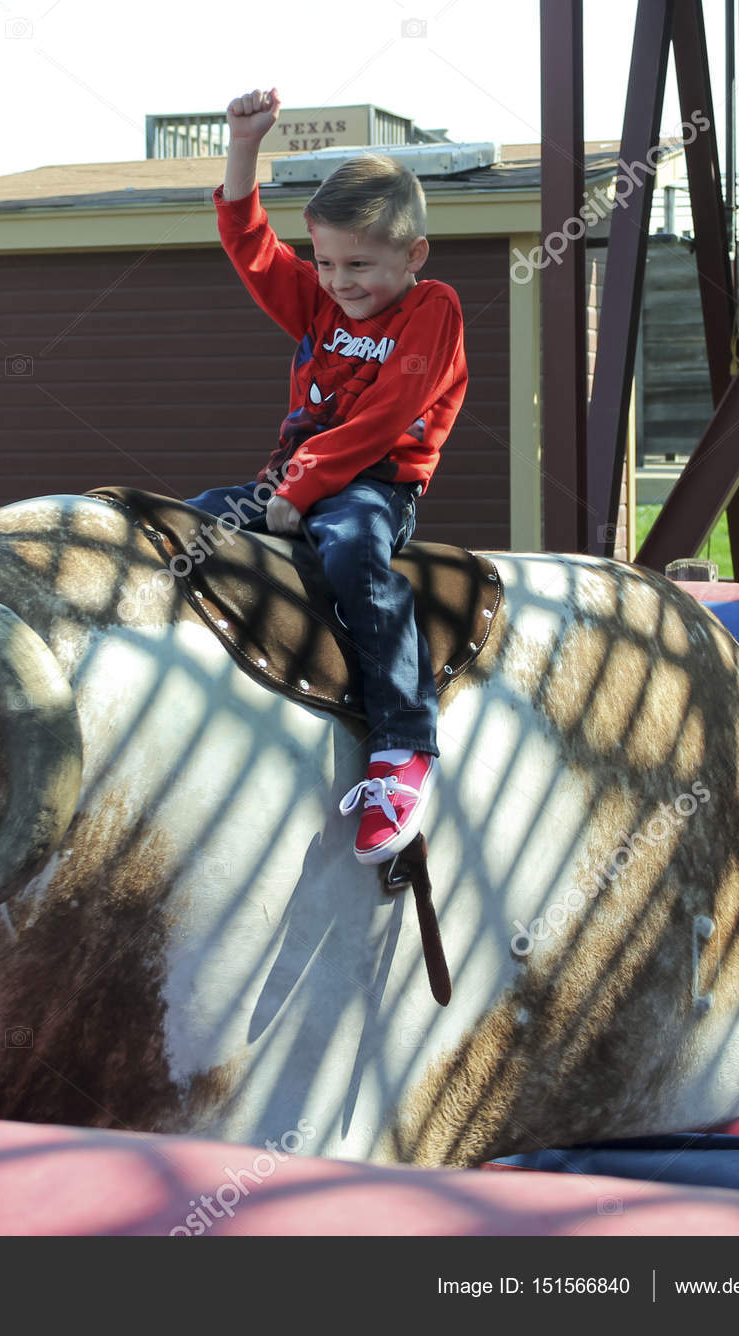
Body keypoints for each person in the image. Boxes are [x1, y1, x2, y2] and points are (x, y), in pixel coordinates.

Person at [185, 86, 469, 864]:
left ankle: (403, 744)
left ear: (412, 256)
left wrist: (301, 488)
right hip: (286, 482)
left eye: (361, 264)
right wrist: (244, 146)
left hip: (375, 486)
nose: (340, 280)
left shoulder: (431, 311)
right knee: (185, 525)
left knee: (353, 554)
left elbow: (384, 417)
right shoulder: (319, 300)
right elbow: (249, 244)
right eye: (326, 260)